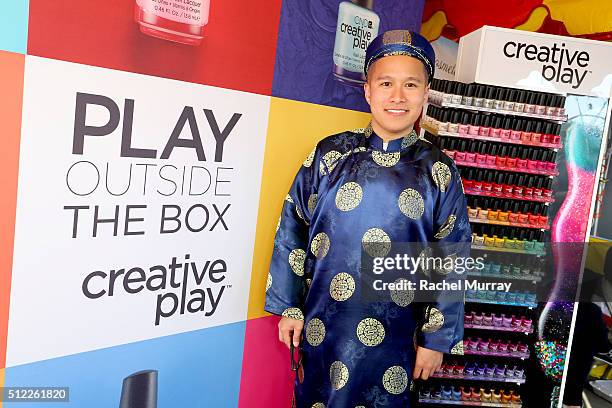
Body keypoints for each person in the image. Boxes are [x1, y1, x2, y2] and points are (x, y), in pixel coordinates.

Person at [264, 29, 471, 407]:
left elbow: (452, 257)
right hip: (323, 326)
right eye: (386, 83)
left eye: (411, 85)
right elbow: (293, 226)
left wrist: (435, 340)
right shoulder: (330, 155)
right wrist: (289, 306)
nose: (397, 96)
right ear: (368, 91)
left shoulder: (439, 171)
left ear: (426, 94)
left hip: (398, 336)